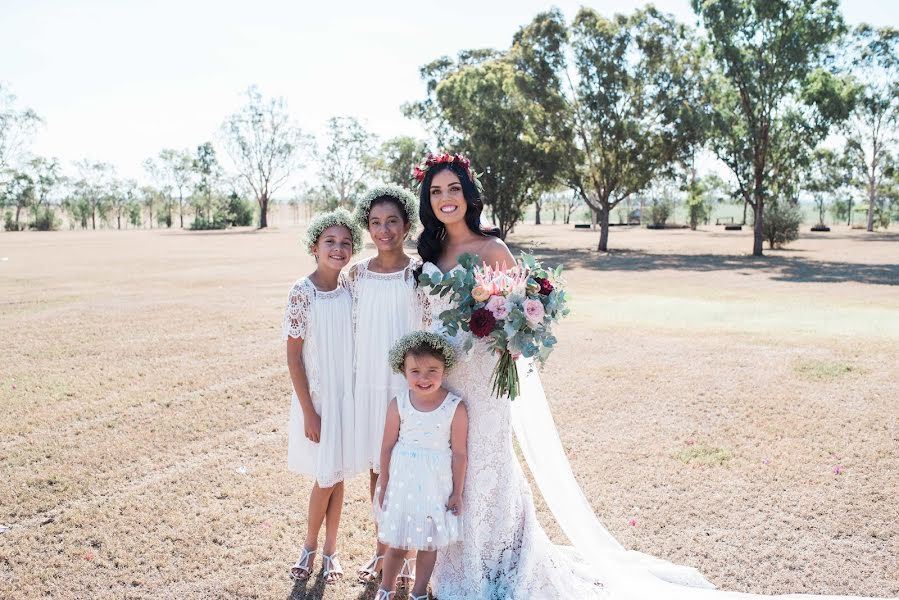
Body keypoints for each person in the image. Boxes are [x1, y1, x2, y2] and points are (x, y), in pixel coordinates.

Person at [413, 152, 608, 598]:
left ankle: (498, 557)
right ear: (429, 200)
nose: (446, 199)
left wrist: (509, 331)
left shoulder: (492, 249)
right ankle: (451, 556)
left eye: (454, 189)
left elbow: (517, 315)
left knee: (485, 460)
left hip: (485, 377)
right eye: (437, 191)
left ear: (468, 195)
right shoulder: (429, 253)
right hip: (445, 377)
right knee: (448, 463)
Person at [346, 185, 424, 587]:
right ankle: (382, 547)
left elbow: (430, 327)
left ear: (407, 224)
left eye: (392, 220)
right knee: (380, 468)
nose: (384, 229)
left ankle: (408, 552)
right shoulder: (355, 274)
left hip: (409, 385)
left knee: (411, 465)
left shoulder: (421, 273)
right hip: (370, 383)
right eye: (375, 222)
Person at [283, 208, 362, 585]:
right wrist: (308, 412)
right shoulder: (303, 291)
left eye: (346, 243)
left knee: (338, 472)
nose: (338, 248)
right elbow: (294, 355)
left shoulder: (350, 287)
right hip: (319, 399)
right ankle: (310, 546)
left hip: (347, 396)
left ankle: (332, 549)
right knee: (325, 475)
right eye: (330, 241)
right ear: (314, 246)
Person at [373, 331, 468, 600]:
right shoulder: (399, 403)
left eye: (432, 370)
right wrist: (385, 484)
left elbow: (460, 453)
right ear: (403, 371)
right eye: (415, 371)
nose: (423, 378)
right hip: (403, 480)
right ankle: (386, 588)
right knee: (397, 542)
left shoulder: (454, 407)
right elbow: (387, 447)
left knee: (429, 542)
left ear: (444, 370)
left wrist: (457, 492)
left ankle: (418, 592)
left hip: (435, 483)